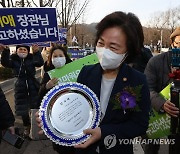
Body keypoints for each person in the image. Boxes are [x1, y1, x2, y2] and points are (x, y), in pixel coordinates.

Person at [37, 11, 151, 154]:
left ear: (128, 51)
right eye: (101, 43)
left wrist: (104, 132)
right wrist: (53, 122)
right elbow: (75, 107)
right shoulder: (86, 72)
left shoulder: (136, 81)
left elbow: (139, 124)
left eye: (113, 47)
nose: (104, 51)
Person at [144, 27, 180, 154]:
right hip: (157, 113)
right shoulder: (156, 61)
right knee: (151, 147)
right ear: (172, 44)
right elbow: (147, 88)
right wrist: (162, 103)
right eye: (179, 44)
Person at [0, 44, 44, 137]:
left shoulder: (32, 59)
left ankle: (36, 126)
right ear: (17, 50)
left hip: (33, 85)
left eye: (25, 50)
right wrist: (5, 51)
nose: (23, 51)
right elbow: (5, 63)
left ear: (28, 51)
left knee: (35, 106)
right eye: (20, 49)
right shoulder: (13, 60)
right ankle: (27, 127)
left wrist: (36, 52)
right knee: (23, 108)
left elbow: (40, 63)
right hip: (20, 86)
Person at [38, 45, 72, 154]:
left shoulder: (74, 70)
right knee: (61, 144)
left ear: (65, 57)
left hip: (73, 109)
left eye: (60, 56)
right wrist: (46, 86)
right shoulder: (48, 74)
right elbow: (40, 95)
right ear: (51, 59)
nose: (58, 58)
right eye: (55, 56)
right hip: (56, 114)